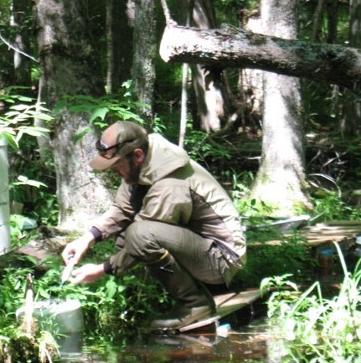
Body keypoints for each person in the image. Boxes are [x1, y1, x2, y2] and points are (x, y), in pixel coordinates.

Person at [62, 120, 247, 329]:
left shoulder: (169, 181)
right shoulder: (139, 166)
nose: (114, 172)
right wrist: (87, 238)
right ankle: (191, 298)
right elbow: (122, 209)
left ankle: (194, 304)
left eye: (116, 165)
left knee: (138, 235)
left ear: (138, 155)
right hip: (200, 247)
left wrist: (102, 270)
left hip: (222, 259)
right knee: (124, 240)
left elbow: (142, 236)